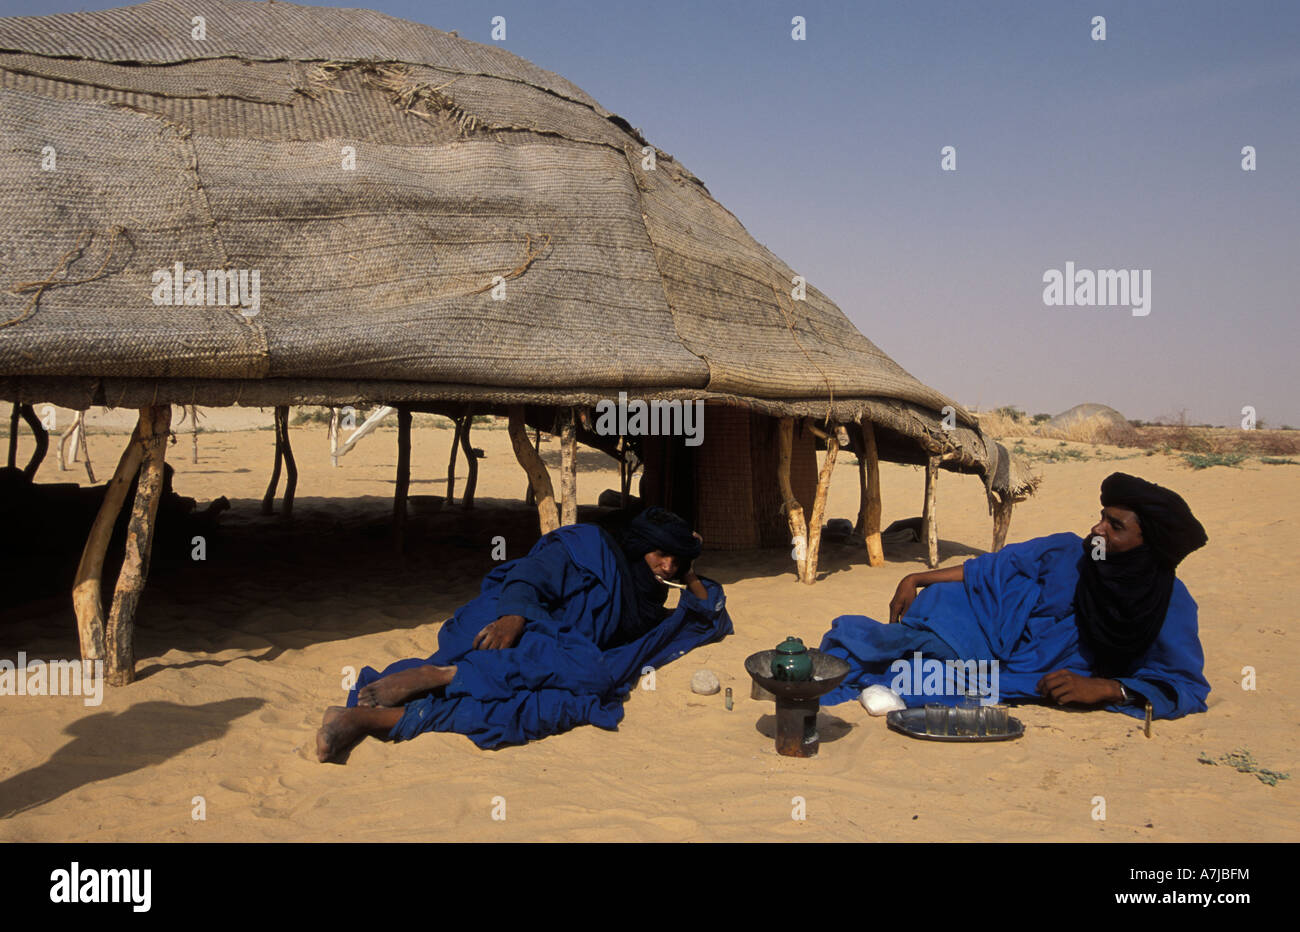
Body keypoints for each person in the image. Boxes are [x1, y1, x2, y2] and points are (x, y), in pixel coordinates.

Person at [317, 507, 731, 761]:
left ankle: (372, 715)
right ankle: (438, 675)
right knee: (587, 677)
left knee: (555, 702)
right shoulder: (590, 545)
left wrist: (689, 566)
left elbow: (707, 613)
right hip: (513, 619)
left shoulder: (646, 596)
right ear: (641, 544)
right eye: (661, 554)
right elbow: (529, 574)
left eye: (677, 561)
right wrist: (514, 617)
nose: (667, 567)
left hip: (553, 647)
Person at [818, 473, 1210, 719]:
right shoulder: (1067, 551)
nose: (1097, 527)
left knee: (947, 680)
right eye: (1101, 516)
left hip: (1033, 670)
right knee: (910, 633)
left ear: (1146, 544)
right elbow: (993, 569)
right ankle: (827, 672)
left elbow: (1184, 685)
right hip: (991, 631)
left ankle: (892, 683)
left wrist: (1109, 688)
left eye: (1115, 526)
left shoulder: (1168, 602)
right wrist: (918, 577)